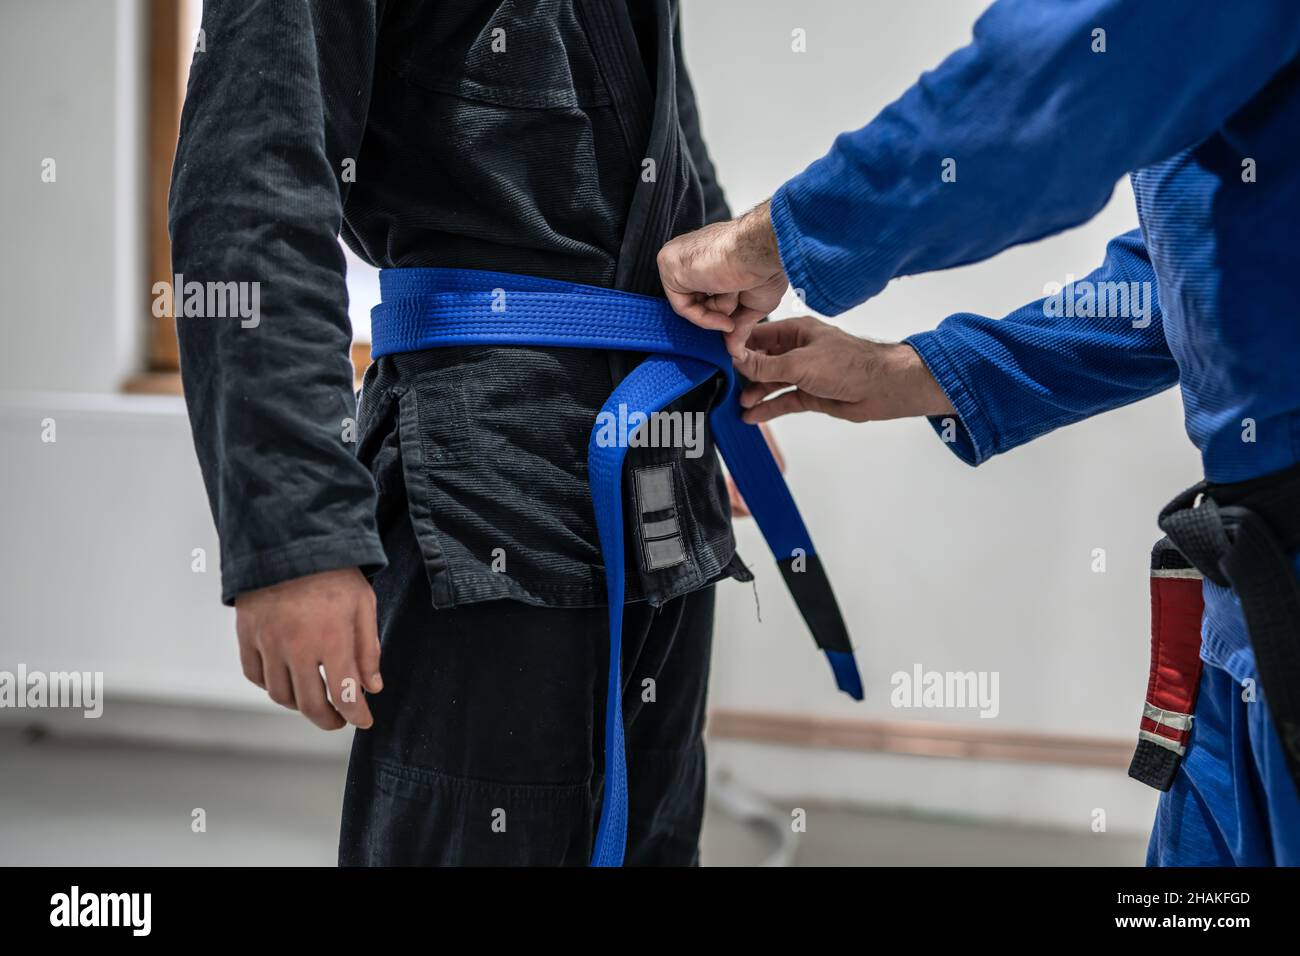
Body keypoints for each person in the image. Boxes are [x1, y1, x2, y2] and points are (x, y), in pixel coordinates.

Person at [656, 0, 1300, 865]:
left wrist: (776, 239)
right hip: (1251, 585)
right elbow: (1191, 261)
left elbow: (1066, 72)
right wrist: (914, 373)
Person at [170, 0, 755, 866]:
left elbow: (665, 153)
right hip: (486, 479)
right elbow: (252, 184)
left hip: (663, 460)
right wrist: (295, 532)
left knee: (654, 835)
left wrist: (725, 387)